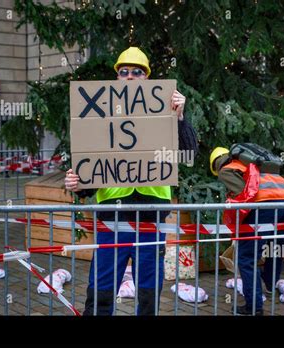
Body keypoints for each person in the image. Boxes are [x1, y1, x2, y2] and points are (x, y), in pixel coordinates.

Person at [65, 47, 198, 315]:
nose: (129, 76)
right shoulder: (101, 115)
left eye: (137, 72)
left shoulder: (166, 114)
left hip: (149, 220)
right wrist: (78, 184)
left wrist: (180, 117)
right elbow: (94, 169)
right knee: (101, 291)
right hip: (110, 219)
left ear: (146, 78)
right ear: (116, 79)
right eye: (123, 72)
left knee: (148, 294)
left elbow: (188, 154)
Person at [210, 146, 284, 315]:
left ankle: (254, 307)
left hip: (265, 204)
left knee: (247, 258)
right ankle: (270, 285)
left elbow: (244, 193)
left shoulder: (227, 169)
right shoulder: (253, 163)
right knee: (275, 247)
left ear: (216, 164)